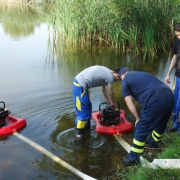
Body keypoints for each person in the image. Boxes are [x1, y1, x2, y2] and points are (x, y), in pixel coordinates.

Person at [119, 67, 175, 166]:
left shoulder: (125, 80)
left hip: (154, 101)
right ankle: (153, 142)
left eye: (119, 78)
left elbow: (129, 102)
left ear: (122, 75)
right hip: (170, 96)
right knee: (162, 121)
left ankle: (133, 158)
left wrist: (137, 118)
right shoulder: (141, 73)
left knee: (141, 127)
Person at [72, 65, 120, 143]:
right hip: (80, 85)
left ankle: (86, 132)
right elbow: (111, 93)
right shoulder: (110, 76)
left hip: (83, 86)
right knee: (83, 113)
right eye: (118, 79)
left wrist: (108, 101)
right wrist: (113, 103)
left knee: (88, 108)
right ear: (117, 75)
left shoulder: (106, 73)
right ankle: (78, 139)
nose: (116, 80)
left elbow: (103, 89)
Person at [165, 23, 180, 132]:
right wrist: (168, 73)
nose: (178, 37)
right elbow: (175, 58)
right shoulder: (178, 43)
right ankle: (175, 124)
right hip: (177, 77)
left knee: (179, 104)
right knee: (174, 102)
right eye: (177, 35)